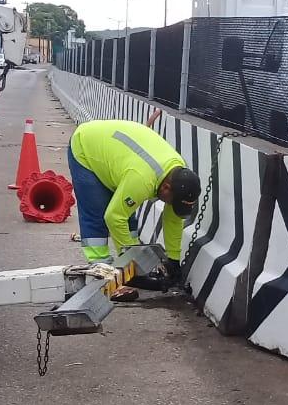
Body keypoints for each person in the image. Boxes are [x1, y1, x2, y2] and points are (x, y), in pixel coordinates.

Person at [67, 120, 201, 285]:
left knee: (127, 214)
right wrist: (135, 265)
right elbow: (114, 217)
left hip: (115, 152)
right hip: (85, 146)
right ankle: (101, 271)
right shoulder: (143, 179)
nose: (172, 206)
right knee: (98, 212)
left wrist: (173, 259)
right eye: (173, 202)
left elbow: (173, 218)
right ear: (166, 188)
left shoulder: (178, 173)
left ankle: (129, 265)